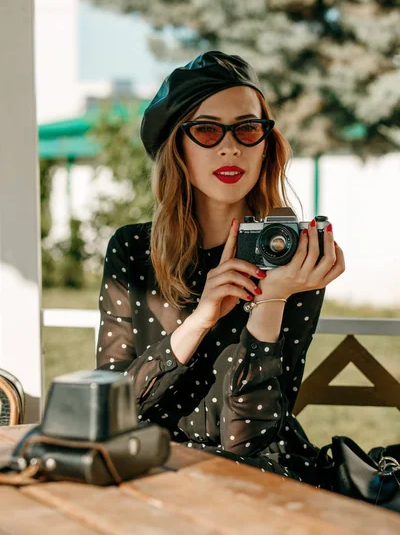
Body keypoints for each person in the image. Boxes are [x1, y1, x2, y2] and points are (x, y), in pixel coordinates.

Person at [96, 51, 345, 485]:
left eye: (247, 128)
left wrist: (271, 299)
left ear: (266, 143)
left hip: (255, 481)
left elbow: (249, 440)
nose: (230, 146)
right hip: (151, 470)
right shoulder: (133, 249)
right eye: (207, 130)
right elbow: (107, 404)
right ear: (177, 146)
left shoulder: (291, 253)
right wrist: (201, 319)